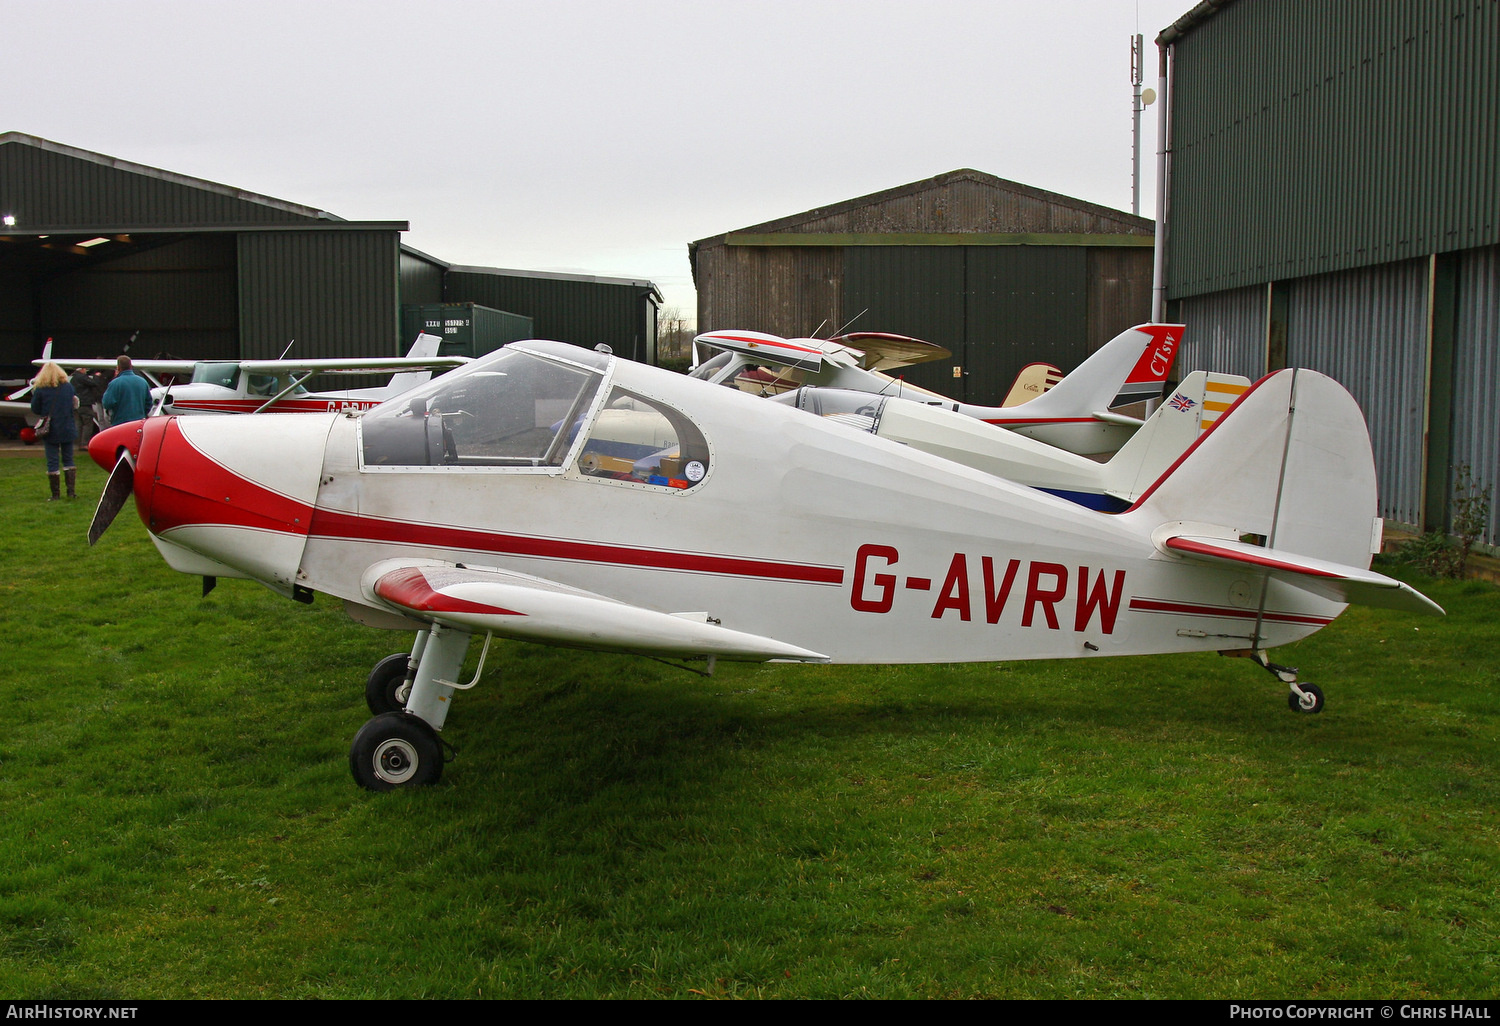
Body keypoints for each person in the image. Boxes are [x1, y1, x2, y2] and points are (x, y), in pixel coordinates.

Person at [30, 362, 79, 501]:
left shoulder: (41, 389)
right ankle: (71, 492)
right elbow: (75, 404)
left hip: (51, 429)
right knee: (68, 459)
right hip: (67, 426)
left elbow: (35, 409)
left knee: (52, 460)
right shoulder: (68, 387)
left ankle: (55, 494)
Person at [102, 355, 153, 425]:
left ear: (118, 367)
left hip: (120, 423)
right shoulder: (143, 382)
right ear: (131, 366)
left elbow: (107, 403)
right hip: (138, 423)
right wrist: (141, 414)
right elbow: (149, 403)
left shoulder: (114, 383)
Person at [69, 366, 105, 444]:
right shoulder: (82, 377)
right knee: (88, 423)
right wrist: (96, 376)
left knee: (78, 423)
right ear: (81, 369)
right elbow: (94, 383)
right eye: (85, 369)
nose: (86, 370)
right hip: (85, 403)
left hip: (77, 404)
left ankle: (76, 442)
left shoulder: (73, 378)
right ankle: (84, 443)